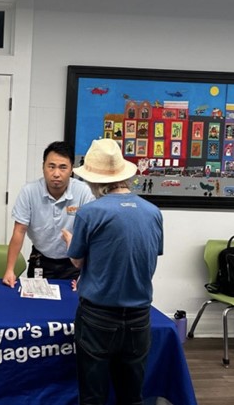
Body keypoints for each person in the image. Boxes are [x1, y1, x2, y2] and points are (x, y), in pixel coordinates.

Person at [62, 138, 163, 405]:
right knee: (132, 396)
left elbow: (77, 263)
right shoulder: (153, 213)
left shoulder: (90, 212)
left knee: (94, 396)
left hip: (98, 317)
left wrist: (69, 242)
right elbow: (147, 257)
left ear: (94, 180)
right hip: (140, 316)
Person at [2, 141, 95, 287]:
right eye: (51, 167)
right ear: (43, 167)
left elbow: (92, 234)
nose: (56, 173)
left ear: (72, 170)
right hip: (41, 259)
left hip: (74, 263)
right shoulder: (29, 191)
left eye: (63, 167)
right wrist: (9, 270)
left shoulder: (84, 192)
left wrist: (86, 275)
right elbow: (19, 231)